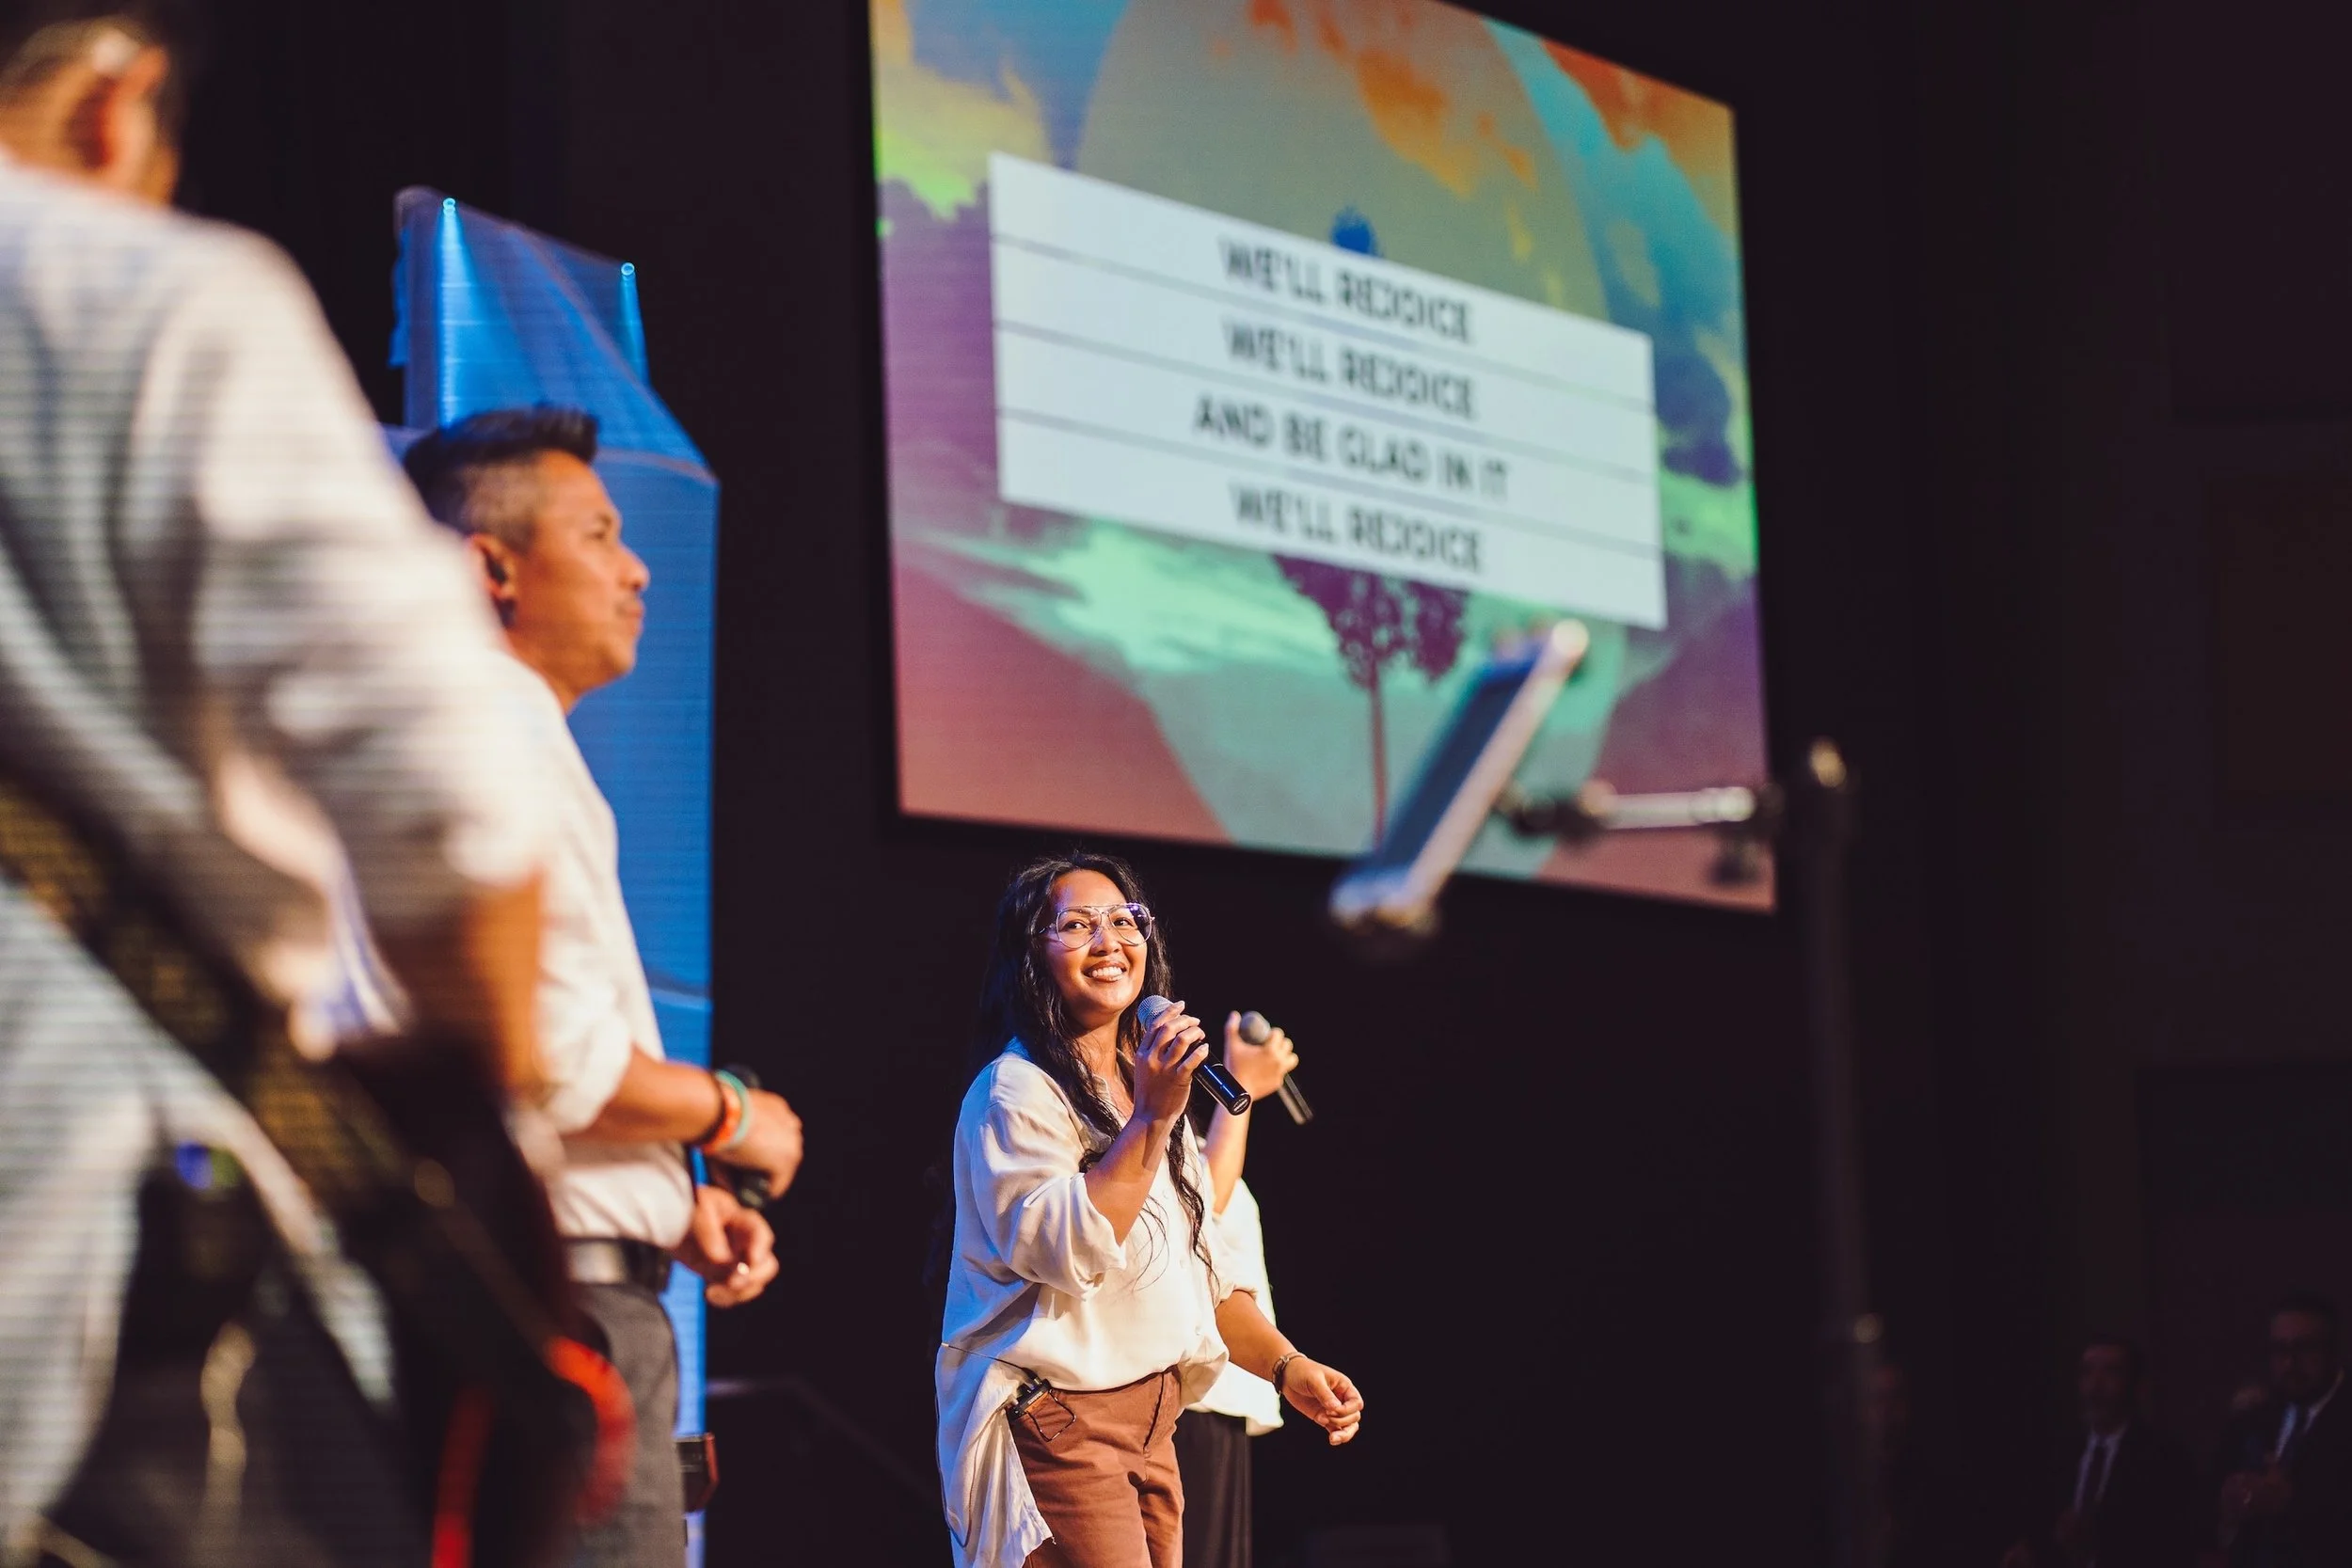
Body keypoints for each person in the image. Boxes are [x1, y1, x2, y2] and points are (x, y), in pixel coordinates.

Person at [0, 2, 561, 1561]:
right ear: (114, 96)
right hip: (88, 1293)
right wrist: (467, 1091)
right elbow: (445, 798)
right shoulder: (140, 293)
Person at [403, 404, 804, 1567]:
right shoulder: (490, 730)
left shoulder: (506, 733)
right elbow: (538, 1053)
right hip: (561, 1308)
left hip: (571, 1287)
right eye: (598, 534)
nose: (636, 568)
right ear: (492, 566)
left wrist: (673, 1203)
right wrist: (732, 1111)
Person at [936, 852, 1363, 1568]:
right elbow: (1064, 1250)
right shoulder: (1018, 1089)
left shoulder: (1145, 1085)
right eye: (1077, 924)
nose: (1108, 940)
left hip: (1153, 1422)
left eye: (1123, 920)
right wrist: (1153, 1118)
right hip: (1064, 1424)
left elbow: (1205, 1274)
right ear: (1030, 954)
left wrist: (1286, 1364)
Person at [1170, 1013, 1301, 1568]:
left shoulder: (1188, 1143)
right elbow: (1204, 1207)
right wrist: (1240, 1089)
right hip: (1184, 1397)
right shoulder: (1142, 1144)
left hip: (1216, 1396)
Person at [2000, 1337, 2195, 1568]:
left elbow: (2170, 1544)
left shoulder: (2163, 1457)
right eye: (2087, 1373)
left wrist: (2095, 1544)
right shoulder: (2058, 1454)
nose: (2095, 1387)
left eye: (2111, 1372)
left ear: (2136, 1386)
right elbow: (2041, 1531)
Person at [2214, 1294, 2352, 1568]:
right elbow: (2208, 1510)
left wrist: (2292, 1504)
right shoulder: (2252, 1417)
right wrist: (2229, 1510)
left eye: (2305, 1349)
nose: (2290, 1363)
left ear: (2333, 1351)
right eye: (2279, 1350)